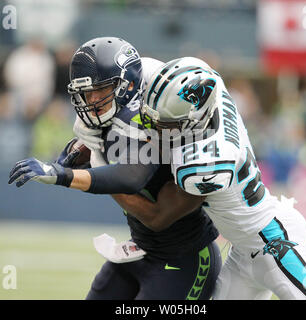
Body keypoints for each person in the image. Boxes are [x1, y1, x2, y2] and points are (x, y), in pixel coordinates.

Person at [8, 38, 221, 300]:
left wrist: (67, 175)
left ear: (128, 86)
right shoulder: (108, 118)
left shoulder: (158, 120)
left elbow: (135, 184)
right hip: (140, 249)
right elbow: (100, 147)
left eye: (101, 90)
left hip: (183, 258)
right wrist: (85, 151)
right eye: (87, 92)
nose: (92, 100)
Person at [139, 57, 306, 300]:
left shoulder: (204, 165)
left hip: (274, 241)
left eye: (167, 124)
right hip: (243, 251)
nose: (156, 128)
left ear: (194, 119)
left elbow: (160, 214)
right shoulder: (210, 92)